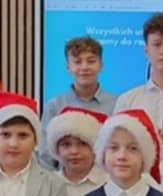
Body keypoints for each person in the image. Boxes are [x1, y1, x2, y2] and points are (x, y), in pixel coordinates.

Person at [41, 37, 116, 171]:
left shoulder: (117, 104)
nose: (84, 67)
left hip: (106, 179)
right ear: (68, 67)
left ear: (101, 65)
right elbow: (45, 156)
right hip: (63, 181)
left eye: (91, 61)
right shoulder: (55, 106)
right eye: (77, 62)